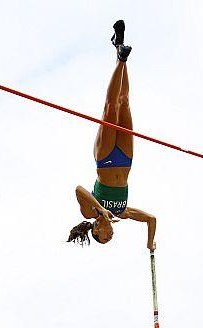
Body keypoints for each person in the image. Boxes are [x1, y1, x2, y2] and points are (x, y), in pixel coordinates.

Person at [67, 20, 156, 250]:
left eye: (105, 237)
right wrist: (150, 243)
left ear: (96, 230)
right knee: (124, 103)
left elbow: (78, 189)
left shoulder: (90, 211)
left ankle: (122, 59)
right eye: (110, 237)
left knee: (110, 108)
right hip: (125, 160)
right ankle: (120, 50)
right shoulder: (122, 212)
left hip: (104, 160)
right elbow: (151, 219)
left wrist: (101, 209)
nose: (110, 234)